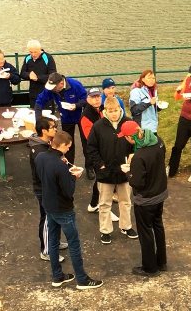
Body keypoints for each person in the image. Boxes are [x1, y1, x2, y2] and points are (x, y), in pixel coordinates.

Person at [35, 130, 103, 290]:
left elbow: (41, 176)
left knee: (53, 240)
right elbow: (68, 191)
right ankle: (82, 279)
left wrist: (63, 164)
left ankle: (57, 276)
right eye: (68, 147)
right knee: (73, 243)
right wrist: (73, 177)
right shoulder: (60, 166)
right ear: (63, 145)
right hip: (63, 209)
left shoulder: (41, 157)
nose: (68, 150)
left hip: (48, 205)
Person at [118, 121, 168, 277]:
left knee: (145, 232)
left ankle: (150, 267)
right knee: (158, 226)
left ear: (129, 137)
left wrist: (128, 171)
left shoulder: (140, 156)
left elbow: (136, 182)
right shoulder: (157, 140)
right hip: (160, 193)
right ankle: (161, 262)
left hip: (145, 199)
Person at [87, 97, 138, 244]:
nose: (114, 114)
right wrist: (100, 164)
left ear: (120, 109)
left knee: (126, 201)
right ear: (105, 111)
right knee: (104, 203)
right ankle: (105, 230)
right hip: (105, 172)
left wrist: (132, 156)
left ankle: (126, 226)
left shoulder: (129, 123)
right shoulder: (98, 126)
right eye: (110, 111)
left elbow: (136, 142)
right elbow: (91, 148)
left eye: (116, 110)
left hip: (124, 171)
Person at [29, 117, 70, 261]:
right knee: (47, 218)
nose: (55, 129)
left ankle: (55, 242)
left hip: (49, 187)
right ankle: (46, 250)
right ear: (44, 131)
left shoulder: (46, 144)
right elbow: (44, 171)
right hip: (44, 189)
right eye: (52, 127)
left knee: (54, 217)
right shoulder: (39, 150)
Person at [79, 88, 119, 222]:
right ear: (88, 99)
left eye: (98, 96)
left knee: (101, 180)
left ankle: (93, 204)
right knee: (104, 181)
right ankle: (103, 208)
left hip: (105, 152)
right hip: (96, 154)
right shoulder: (86, 116)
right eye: (93, 97)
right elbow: (91, 138)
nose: (96, 99)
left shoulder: (102, 109)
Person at [35, 72, 87, 164]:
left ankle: (89, 166)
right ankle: (70, 165)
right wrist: (38, 120)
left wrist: (76, 105)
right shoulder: (51, 89)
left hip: (81, 116)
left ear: (61, 83)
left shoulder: (75, 85)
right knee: (67, 142)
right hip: (66, 117)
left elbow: (86, 99)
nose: (53, 90)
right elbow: (40, 101)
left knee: (86, 142)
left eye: (55, 88)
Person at [20, 40, 57, 108]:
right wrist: (29, 75)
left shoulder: (48, 58)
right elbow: (22, 74)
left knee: (46, 115)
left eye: (35, 52)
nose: (33, 54)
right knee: (33, 114)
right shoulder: (27, 58)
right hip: (33, 93)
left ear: (40, 49)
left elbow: (53, 75)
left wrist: (38, 78)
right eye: (31, 52)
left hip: (46, 92)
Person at [129, 70, 160, 134]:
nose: (152, 80)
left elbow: (152, 109)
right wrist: (149, 103)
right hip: (142, 129)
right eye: (149, 78)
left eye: (153, 78)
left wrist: (159, 107)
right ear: (143, 79)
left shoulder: (154, 90)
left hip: (153, 127)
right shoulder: (136, 91)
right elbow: (134, 110)